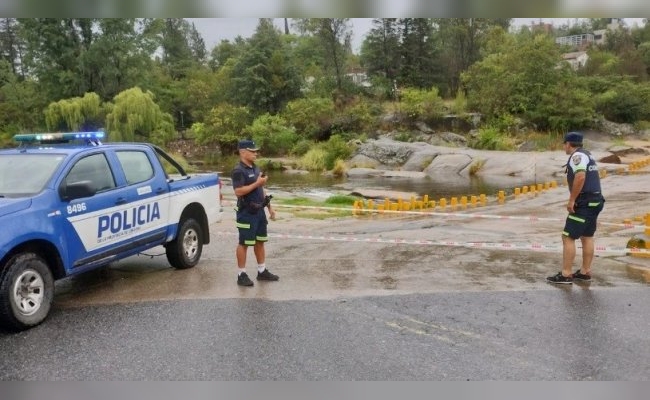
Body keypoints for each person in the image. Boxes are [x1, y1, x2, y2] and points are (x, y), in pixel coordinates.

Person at [547, 131, 605, 284]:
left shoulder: (576, 157)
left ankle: (566, 274)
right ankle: (585, 272)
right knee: (587, 236)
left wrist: (572, 200)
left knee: (568, 236)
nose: (564, 147)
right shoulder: (588, 154)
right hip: (596, 200)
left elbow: (580, 176)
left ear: (568, 144)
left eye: (564, 144)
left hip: (584, 202)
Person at [231, 139, 279, 287]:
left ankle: (262, 271)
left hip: (259, 212)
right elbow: (238, 192)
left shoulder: (256, 168)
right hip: (246, 213)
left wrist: (269, 208)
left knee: (260, 241)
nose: (255, 153)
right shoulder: (238, 171)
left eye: (256, 151)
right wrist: (257, 183)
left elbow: (261, 190)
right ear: (243, 152)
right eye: (252, 151)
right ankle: (241, 274)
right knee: (244, 243)